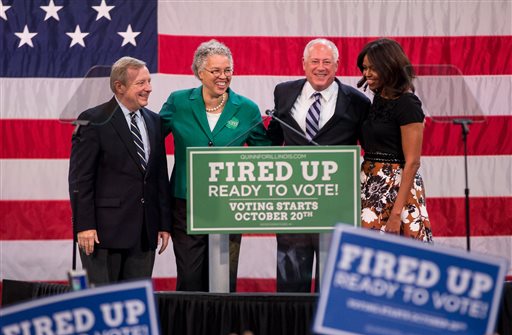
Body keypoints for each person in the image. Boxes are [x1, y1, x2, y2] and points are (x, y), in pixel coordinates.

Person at [160, 39, 270, 292]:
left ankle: (221, 332)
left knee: (223, 281)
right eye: (216, 71)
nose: (224, 76)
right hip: (186, 204)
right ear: (200, 73)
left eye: (228, 70)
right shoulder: (178, 102)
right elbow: (151, 140)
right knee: (189, 279)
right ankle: (189, 332)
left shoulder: (247, 109)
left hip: (229, 205)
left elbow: (263, 154)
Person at [267, 38, 370, 293]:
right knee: (291, 287)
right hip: (292, 205)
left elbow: (371, 150)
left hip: (337, 207)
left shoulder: (358, 102)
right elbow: (273, 138)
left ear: (337, 65)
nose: (320, 67)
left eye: (327, 62)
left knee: (333, 290)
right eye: (315, 61)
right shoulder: (284, 92)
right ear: (304, 64)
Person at [68, 56, 171, 285]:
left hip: (144, 233)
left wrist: (164, 223)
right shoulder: (93, 119)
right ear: (119, 86)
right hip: (102, 234)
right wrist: (84, 225)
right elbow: (80, 179)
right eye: (141, 83)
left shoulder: (154, 122)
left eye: (149, 82)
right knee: (101, 303)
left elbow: (159, 177)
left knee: (134, 306)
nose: (149, 88)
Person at [356, 38, 433, 241]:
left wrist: (396, 213)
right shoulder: (378, 100)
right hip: (370, 185)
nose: (367, 74)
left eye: (373, 68)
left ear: (390, 66)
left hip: (397, 191)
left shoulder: (407, 103)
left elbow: (413, 162)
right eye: (364, 68)